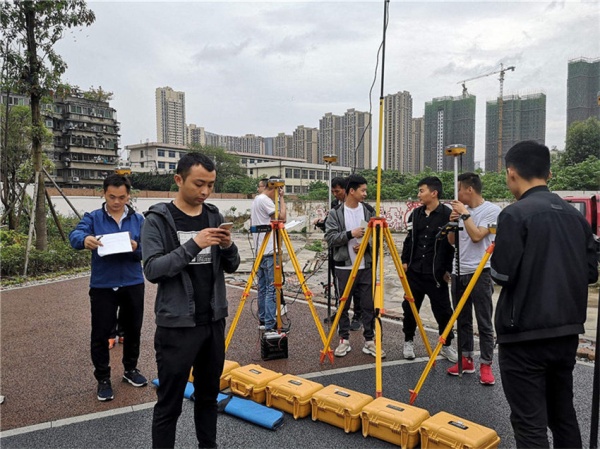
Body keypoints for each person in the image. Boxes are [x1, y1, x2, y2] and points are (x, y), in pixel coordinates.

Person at [491, 141, 598, 448]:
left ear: (512, 173)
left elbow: (501, 274)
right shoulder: (577, 217)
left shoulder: (514, 215)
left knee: (529, 423)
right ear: (549, 173)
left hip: (524, 335)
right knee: (563, 416)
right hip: (566, 333)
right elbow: (591, 273)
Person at [141, 152, 240, 449]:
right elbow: (153, 270)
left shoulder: (213, 215)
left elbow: (231, 266)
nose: (206, 191)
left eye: (210, 185)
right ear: (179, 180)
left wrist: (229, 245)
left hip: (212, 321)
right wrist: (193, 244)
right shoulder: (157, 220)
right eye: (199, 184)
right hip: (176, 326)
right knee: (170, 403)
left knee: (209, 398)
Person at [69, 174, 147, 402]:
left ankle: (130, 370)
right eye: (112, 197)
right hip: (103, 285)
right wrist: (84, 240)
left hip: (133, 282)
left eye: (122, 197)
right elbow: (75, 236)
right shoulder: (93, 217)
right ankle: (103, 378)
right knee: (101, 334)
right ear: (103, 194)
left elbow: (149, 249)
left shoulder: (138, 219)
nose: (116, 202)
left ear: (128, 196)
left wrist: (136, 247)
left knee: (133, 330)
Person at [446, 172, 500, 384]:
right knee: (462, 319)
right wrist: (453, 222)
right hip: (458, 270)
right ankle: (466, 359)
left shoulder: (492, 211)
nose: (457, 194)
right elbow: (452, 241)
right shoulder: (460, 212)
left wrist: (465, 215)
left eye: (459, 189)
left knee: (484, 321)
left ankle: (486, 364)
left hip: (481, 271)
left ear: (469, 189)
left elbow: (478, 236)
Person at [325, 174, 385, 358]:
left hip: (365, 266)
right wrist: (351, 234)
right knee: (343, 304)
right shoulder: (335, 213)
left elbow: (378, 238)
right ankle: (344, 339)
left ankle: (369, 340)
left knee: (367, 304)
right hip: (344, 266)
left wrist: (366, 244)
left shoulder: (368, 211)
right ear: (352, 191)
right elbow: (330, 238)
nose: (365, 193)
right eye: (363, 190)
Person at [400, 176, 457, 362]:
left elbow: (451, 246)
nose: (419, 194)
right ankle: (408, 340)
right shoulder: (415, 214)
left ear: (434, 193)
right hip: (415, 271)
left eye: (421, 190)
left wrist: (447, 269)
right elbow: (409, 239)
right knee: (410, 309)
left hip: (436, 273)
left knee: (443, 311)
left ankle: (446, 345)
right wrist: (405, 261)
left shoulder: (448, 214)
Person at [250, 176, 287, 332]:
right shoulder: (265, 200)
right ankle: (271, 324)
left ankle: (264, 319)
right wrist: (282, 199)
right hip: (270, 249)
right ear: (273, 188)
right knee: (272, 288)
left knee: (263, 288)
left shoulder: (257, 200)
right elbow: (282, 218)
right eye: (277, 189)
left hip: (261, 250)